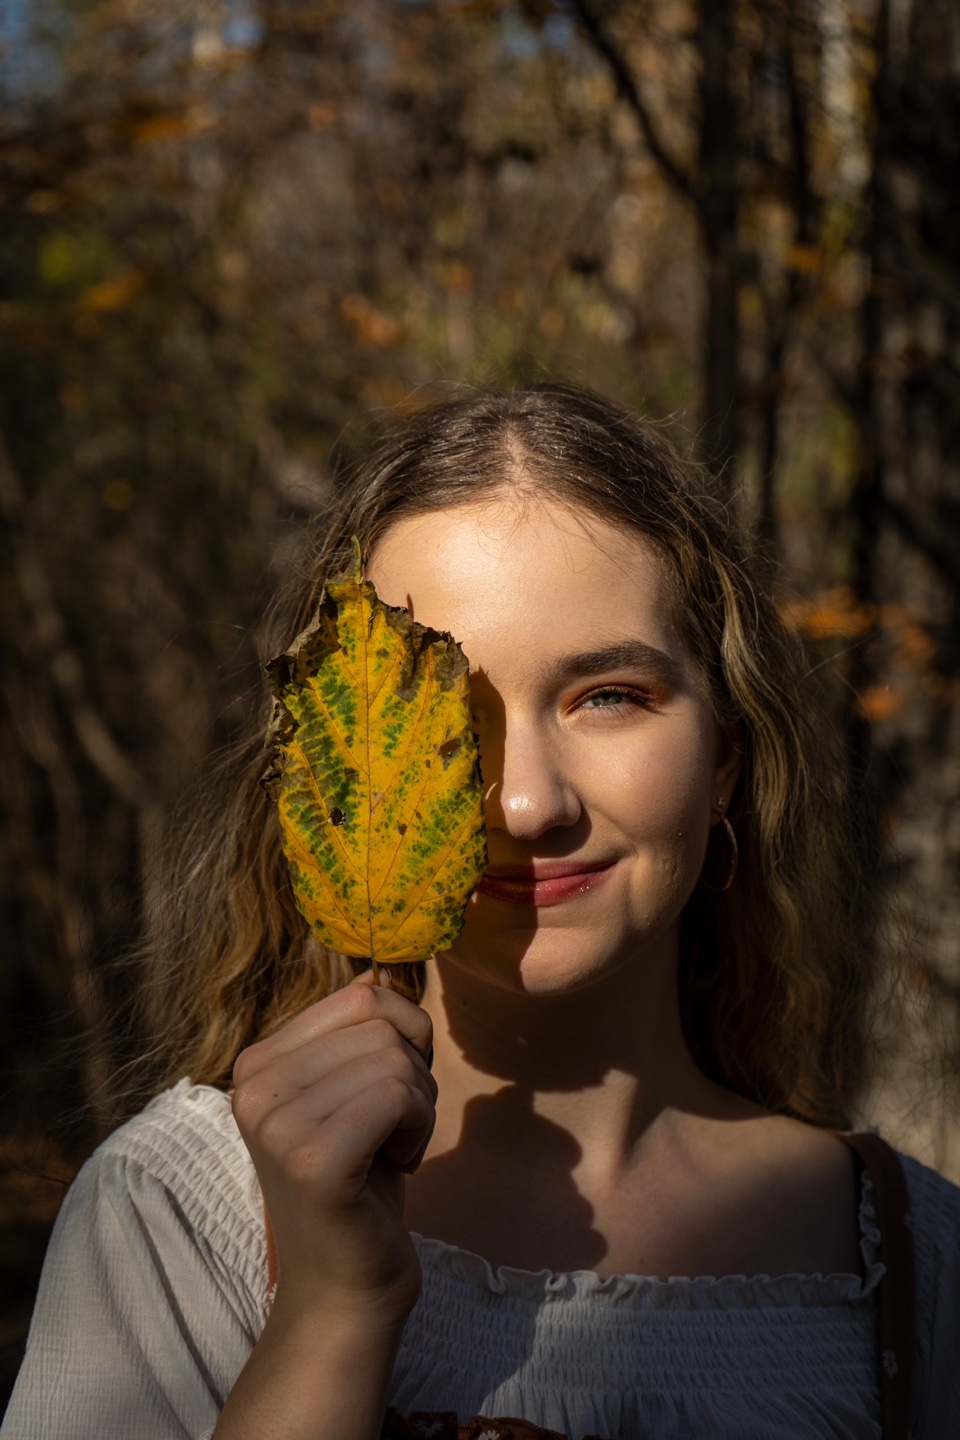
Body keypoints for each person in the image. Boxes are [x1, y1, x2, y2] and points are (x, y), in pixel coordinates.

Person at [3, 384, 958, 1440]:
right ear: (335, 767)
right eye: (443, 712)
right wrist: (331, 1311)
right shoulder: (179, 1210)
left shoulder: (913, 1268)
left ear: (725, 762)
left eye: (608, 697)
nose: (527, 802)